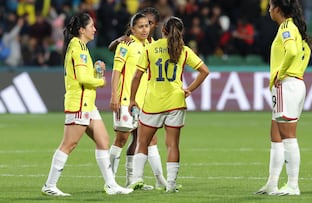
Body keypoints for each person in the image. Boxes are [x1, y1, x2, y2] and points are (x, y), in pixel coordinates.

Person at [41, 12, 133, 196]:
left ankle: (111, 185)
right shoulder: (78, 48)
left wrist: (96, 71)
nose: (95, 29)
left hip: (88, 105)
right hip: (79, 104)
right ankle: (49, 186)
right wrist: (101, 80)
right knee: (69, 144)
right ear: (82, 30)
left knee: (103, 140)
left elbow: (83, 75)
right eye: (91, 26)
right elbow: (83, 79)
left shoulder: (80, 46)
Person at [127, 16, 209, 192]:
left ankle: (137, 179)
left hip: (153, 103)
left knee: (143, 141)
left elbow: (136, 77)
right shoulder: (183, 50)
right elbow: (204, 71)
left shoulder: (150, 49)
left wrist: (133, 99)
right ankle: (171, 185)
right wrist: (189, 90)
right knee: (172, 144)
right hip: (175, 102)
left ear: (163, 30)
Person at [255, 0, 311, 196]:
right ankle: (272, 183)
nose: (269, 9)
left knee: (288, 136)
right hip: (295, 83)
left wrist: (282, 72)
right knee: (276, 136)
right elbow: (306, 51)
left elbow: (293, 52)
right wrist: (297, 71)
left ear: (277, 9)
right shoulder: (295, 28)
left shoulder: (287, 27)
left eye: (270, 6)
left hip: (286, 85)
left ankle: (293, 185)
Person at [109, 10, 167, 190]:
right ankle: (110, 181)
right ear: (132, 29)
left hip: (144, 102)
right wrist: (114, 96)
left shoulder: (150, 45)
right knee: (121, 139)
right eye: (140, 26)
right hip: (126, 99)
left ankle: (136, 180)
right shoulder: (126, 45)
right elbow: (116, 71)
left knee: (150, 140)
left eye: (147, 26)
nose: (145, 29)